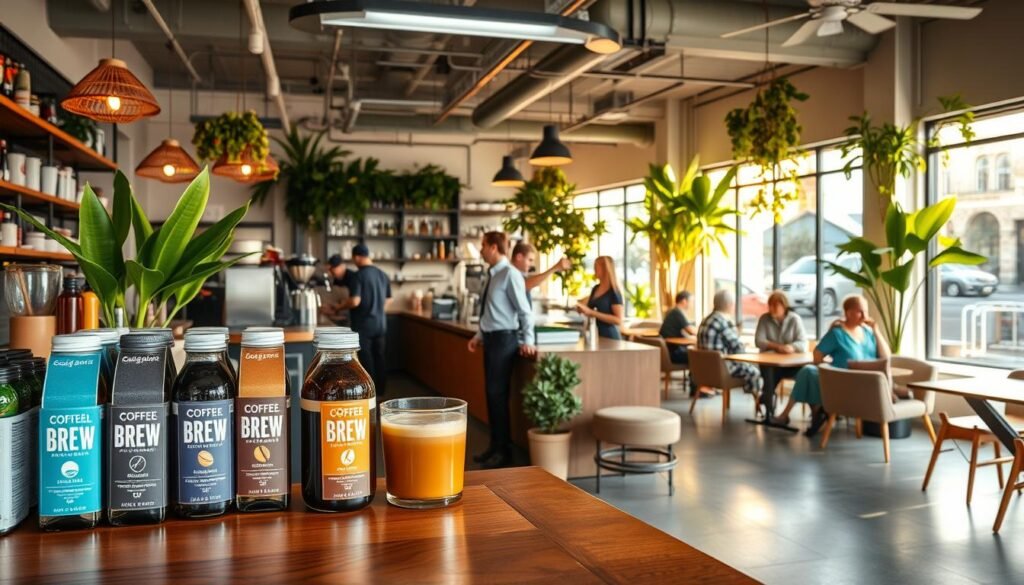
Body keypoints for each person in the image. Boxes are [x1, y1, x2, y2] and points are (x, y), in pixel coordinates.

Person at [771, 294, 891, 436]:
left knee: (806, 373)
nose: (864, 315)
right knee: (808, 371)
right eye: (860, 311)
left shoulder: (869, 332)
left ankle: (810, 411)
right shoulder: (837, 333)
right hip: (843, 381)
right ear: (848, 313)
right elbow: (817, 354)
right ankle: (816, 411)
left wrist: (876, 330)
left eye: (866, 311)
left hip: (868, 383)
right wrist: (827, 369)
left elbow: (886, 357)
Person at [467, 232, 536, 469]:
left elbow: (524, 311)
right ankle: (494, 446)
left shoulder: (510, 274)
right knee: (491, 395)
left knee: (497, 395)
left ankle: (504, 452)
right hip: (492, 339)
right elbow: (492, 313)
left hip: (505, 341)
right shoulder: (493, 275)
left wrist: (528, 340)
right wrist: (478, 336)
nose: (480, 250)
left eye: (483, 246)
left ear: (494, 247)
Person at [333, 244, 392, 396]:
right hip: (381, 324)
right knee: (380, 357)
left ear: (357, 257)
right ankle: (382, 392)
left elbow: (355, 301)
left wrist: (339, 307)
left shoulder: (358, 276)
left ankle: (371, 393)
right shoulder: (383, 274)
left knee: (366, 360)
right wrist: (378, 309)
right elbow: (389, 299)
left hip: (364, 325)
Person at [697, 289, 761, 396]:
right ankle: (757, 403)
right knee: (755, 371)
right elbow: (738, 348)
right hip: (720, 371)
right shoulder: (722, 322)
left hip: (704, 371)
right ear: (729, 305)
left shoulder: (705, 320)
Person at [754, 291, 808, 414]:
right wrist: (778, 347)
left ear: (784, 306)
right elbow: (758, 341)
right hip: (769, 363)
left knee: (804, 372)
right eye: (770, 305)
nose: (771, 308)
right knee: (769, 371)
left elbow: (803, 343)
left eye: (775, 305)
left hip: (790, 364)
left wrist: (792, 347)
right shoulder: (764, 319)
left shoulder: (795, 319)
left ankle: (766, 398)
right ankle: (769, 410)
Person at [575, 256, 624, 340]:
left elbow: (618, 320)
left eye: (596, 267)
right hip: (594, 335)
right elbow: (591, 310)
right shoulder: (595, 288)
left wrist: (592, 313)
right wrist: (583, 310)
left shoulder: (614, 292)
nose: (594, 270)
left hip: (610, 337)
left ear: (605, 269)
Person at [659, 291, 696, 365]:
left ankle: (692, 376)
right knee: (697, 356)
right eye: (692, 301)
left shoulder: (673, 311)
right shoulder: (677, 313)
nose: (693, 304)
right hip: (673, 353)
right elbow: (691, 331)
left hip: (669, 351)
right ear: (684, 301)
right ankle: (693, 376)